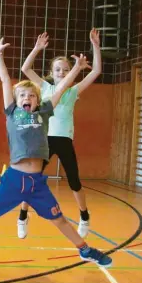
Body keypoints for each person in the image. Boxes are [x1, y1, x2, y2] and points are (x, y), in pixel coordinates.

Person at [0, 38, 112, 269]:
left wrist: (76, 68)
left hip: (36, 183)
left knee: (59, 219)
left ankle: (84, 249)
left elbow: (63, 87)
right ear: (17, 100)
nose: (28, 98)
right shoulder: (12, 113)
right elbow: (5, 79)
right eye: (23, 95)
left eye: (32, 95)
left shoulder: (45, 112)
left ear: (38, 100)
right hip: (14, 179)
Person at [18, 29, 102, 239]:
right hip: (44, 140)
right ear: (52, 71)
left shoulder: (74, 91)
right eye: (58, 69)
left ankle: (84, 216)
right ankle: (22, 216)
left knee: (74, 181)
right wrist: (37, 49)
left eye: (66, 69)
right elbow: (25, 68)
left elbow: (96, 71)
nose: (62, 73)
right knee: (31, 178)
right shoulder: (44, 87)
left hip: (64, 140)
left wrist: (96, 47)